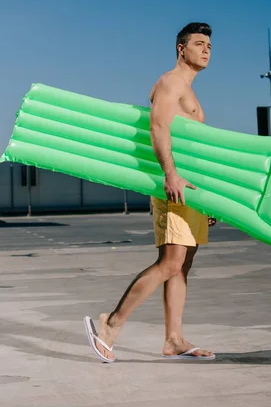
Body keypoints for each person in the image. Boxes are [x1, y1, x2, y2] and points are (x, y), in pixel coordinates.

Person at [84, 22, 216, 362]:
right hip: (173, 188)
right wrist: (170, 174)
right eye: (199, 43)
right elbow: (158, 126)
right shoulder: (170, 82)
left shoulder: (190, 90)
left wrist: (209, 200)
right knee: (170, 262)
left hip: (190, 192)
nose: (206, 50)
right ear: (180, 49)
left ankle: (174, 339)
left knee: (182, 265)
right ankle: (110, 325)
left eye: (209, 46)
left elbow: (195, 149)